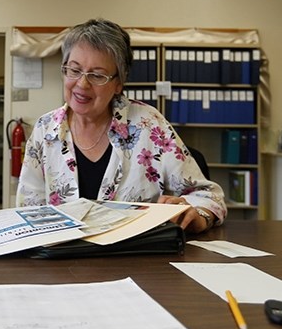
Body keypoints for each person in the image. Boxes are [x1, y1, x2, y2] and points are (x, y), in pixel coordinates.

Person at [17, 19, 226, 232]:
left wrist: (197, 215)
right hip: (61, 259)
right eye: (74, 70)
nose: (82, 83)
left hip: (135, 258)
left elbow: (209, 197)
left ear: (118, 83)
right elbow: (28, 210)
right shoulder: (45, 129)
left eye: (97, 75)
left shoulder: (149, 124)